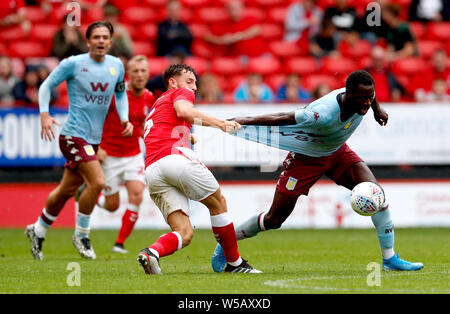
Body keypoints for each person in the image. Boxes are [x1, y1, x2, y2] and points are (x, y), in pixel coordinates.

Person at [211, 70, 424, 272]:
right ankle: (227, 245)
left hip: (337, 152)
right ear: (349, 94)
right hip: (306, 158)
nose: (368, 102)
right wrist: (241, 121)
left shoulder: (365, 97)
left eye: (370, 98)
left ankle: (389, 259)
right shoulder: (321, 113)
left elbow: (372, 95)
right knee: (274, 220)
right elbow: (282, 117)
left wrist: (377, 109)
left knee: (376, 195)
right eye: (364, 99)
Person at [136, 64, 261, 274]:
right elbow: (184, 111)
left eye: (195, 83)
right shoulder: (180, 93)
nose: (193, 88)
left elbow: (159, 130)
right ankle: (234, 263)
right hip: (174, 160)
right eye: (189, 81)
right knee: (218, 203)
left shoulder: (157, 104)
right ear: (172, 83)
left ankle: (151, 253)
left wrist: (187, 136)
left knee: (184, 233)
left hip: (153, 169)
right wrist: (221, 123)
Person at [25, 21, 133, 261]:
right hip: (72, 135)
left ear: (111, 41)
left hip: (93, 139)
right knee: (97, 182)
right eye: (97, 37)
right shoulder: (73, 64)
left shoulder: (116, 66)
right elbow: (46, 86)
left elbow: (120, 93)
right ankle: (82, 235)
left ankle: (38, 229)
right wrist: (44, 114)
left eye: (106, 37)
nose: (102, 41)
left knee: (66, 190)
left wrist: (124, 118)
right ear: (88, 41)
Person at [95, 55, 155, 253]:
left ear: (148, 74)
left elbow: (144, 126)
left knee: (137, 195)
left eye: (143, 71)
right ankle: (92, 197)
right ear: (128, 74)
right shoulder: (114, 94)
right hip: (110, 155)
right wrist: (98, 147)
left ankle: (119, 243)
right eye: (135, 71)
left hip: (133, 154)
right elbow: (95, 120)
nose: (139, 75)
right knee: (112, 206)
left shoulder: (148, 96)